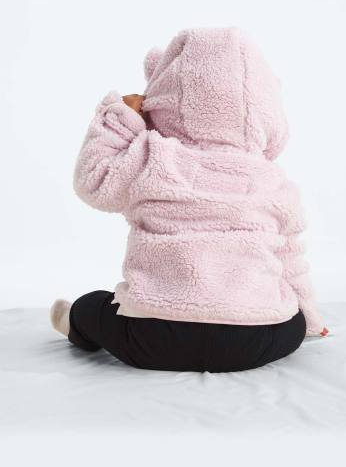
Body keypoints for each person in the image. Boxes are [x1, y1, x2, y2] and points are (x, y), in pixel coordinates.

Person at [50, 27, 328, 373]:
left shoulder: (151, 157)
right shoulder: (272, 180)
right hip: (257, 338)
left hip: (153, 334)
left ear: (162, 99)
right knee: (293, 319)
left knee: (95, 307)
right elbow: (290, 256)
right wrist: (309, 317)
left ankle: (74, 321)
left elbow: (93, 180)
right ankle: (293, 322)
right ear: (267, 110)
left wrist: (120, 118)